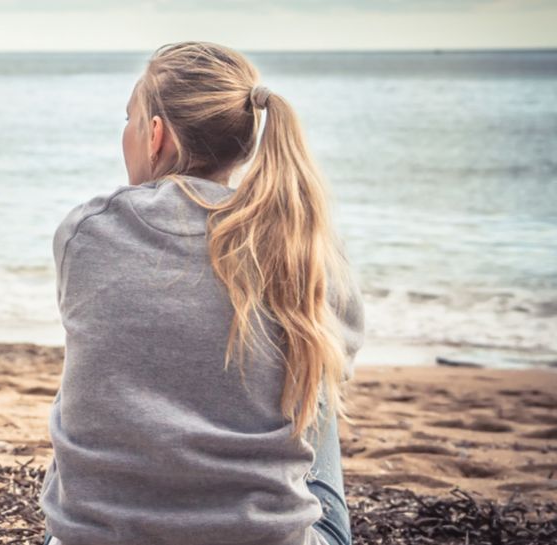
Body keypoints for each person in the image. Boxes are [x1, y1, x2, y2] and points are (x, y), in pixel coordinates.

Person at [38, 41, 365, 545]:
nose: (124, 134)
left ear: (155, 135)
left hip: (93, 538)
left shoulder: (86, 231)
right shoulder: (305, 246)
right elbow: (337, 366)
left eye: (129, 120)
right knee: (310, 376)